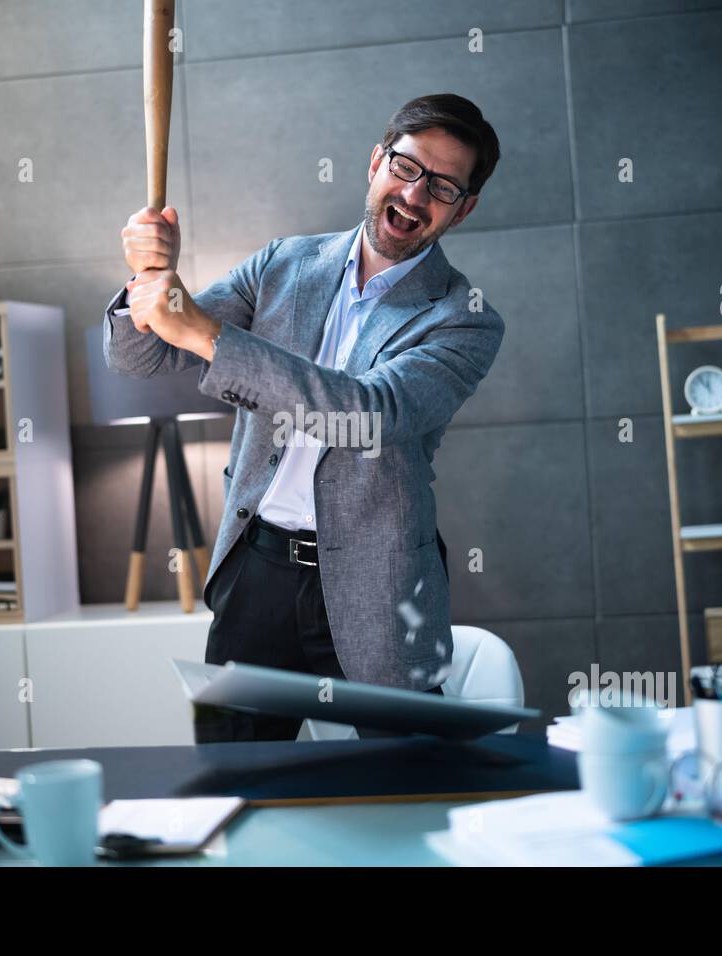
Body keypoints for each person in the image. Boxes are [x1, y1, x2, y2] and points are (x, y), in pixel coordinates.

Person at [102, 93, 503, 742]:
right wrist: (148, 276)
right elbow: (143, 354)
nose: (414, 194)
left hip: (382, 584)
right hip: (257, 568)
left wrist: (203, 330)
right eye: (406, 167)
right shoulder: (282, 265)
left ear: (464, 207)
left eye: (444, 185)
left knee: (406, 791)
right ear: (376, 162)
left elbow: (369, 413)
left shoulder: (465, 319)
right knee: (233, 783)